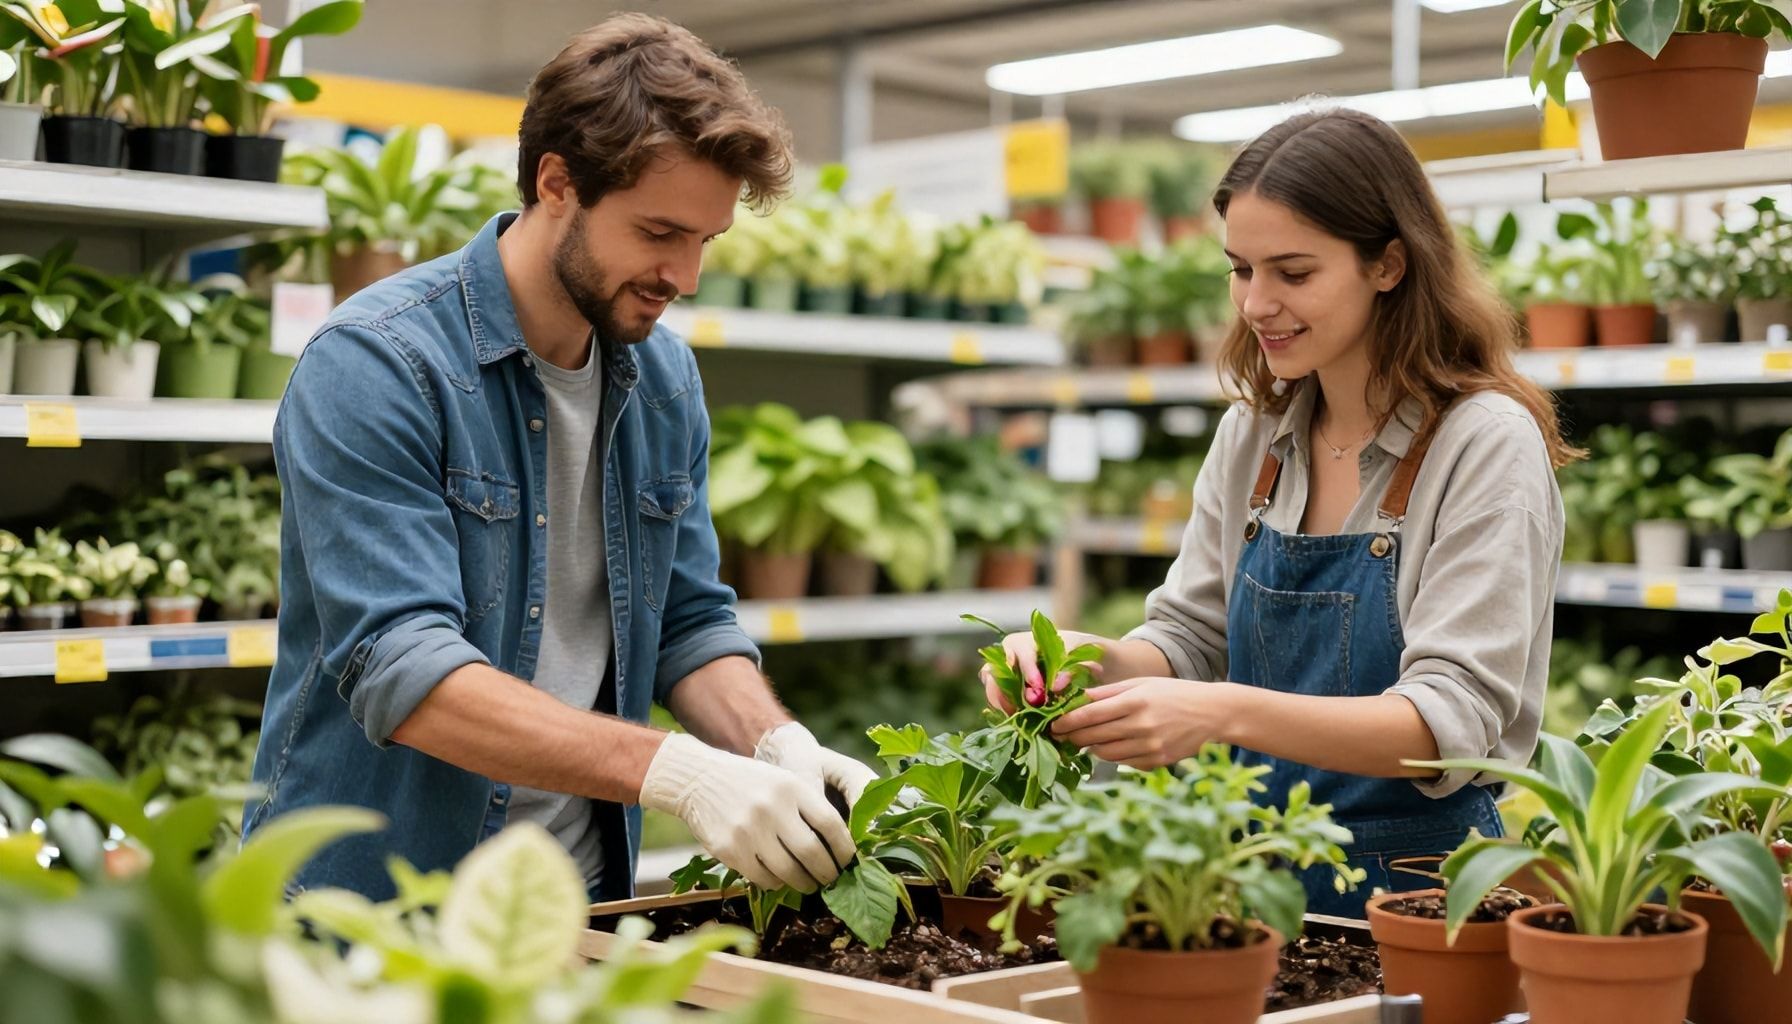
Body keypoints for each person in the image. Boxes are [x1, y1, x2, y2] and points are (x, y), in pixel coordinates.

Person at [243, 13, 875, 903]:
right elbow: (405, 668)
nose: (685, 276)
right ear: (557, 183)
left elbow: (688, 623)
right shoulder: (377, 363)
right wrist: (678, 772)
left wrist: (774, 745)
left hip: (571, 909)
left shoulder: (664, 380)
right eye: (660, 233)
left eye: (706, 241)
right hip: (379, 917)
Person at [985, 108, 1572, 916]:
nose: (1257, 303)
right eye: (1240, 270)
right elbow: (1191, 640)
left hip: (1421, 894)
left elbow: (1449, 723)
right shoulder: (1254, 433)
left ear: (1389, 265)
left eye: (1293, 274)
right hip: (1249, 880)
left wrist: (1216, 711)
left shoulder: (1484, 444)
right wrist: (1088, 664)